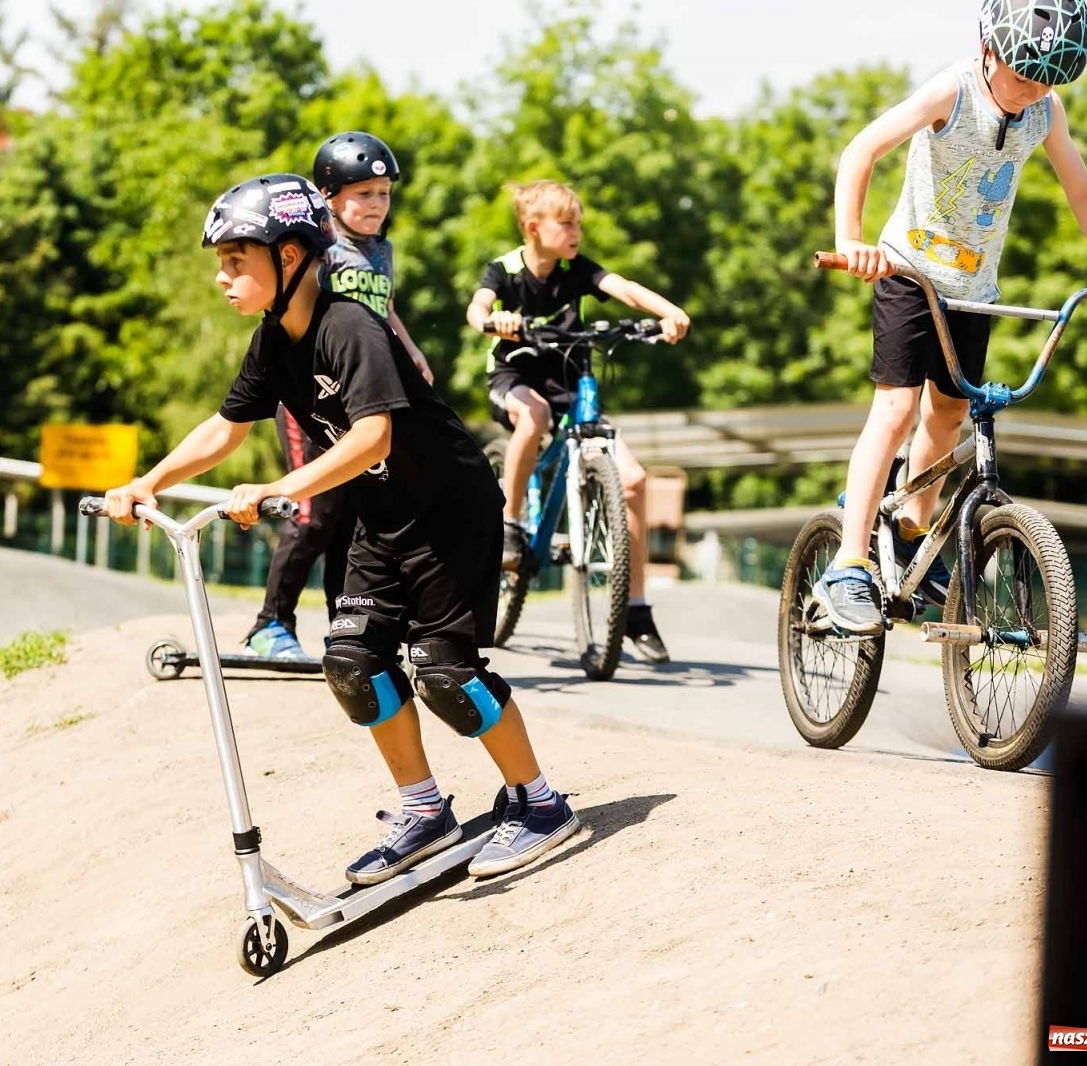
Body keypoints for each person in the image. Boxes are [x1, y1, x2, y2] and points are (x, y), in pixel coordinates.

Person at [104, 174, 580, 880]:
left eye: (238, 259)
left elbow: (373, 438)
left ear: (290, 256)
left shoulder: (349, 326)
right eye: (223, 262)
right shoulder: (276, 338)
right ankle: (425, 811)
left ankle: (540, 804)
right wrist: (150, 480)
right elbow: (227, 427)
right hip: (381, 519)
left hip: (448, 512)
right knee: (354, 665)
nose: (222, 277)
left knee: (446, 676)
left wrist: (280, 488)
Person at [814, 0, 1087, 634]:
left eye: (1046, 80)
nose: (1032, 92)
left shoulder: (1045, 110)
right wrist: (852, 238)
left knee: (947, 414)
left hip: (974, 289)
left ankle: (913, 534)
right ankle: (850, 562)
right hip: (907, 274)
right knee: (894, 412)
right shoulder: (952, 89)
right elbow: (860, 151)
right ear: (989, 50)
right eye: (1024, 76)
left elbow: (1082, 191)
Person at [465, 178, 691, 664]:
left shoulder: (576, 270)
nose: (576, 232)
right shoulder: (504, 270)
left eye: (578, 224)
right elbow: (477, 307)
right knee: (535, 417)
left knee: (633, 480)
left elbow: (624, 289)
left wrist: (668, 311)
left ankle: (635, 609)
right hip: (516, 376)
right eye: (566, 224)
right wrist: (494, 320)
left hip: (572, 383)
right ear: (533, 228)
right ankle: (509, 521)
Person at [241, 131, 434, 659]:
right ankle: (269, 624)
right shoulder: (323, 252)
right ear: (328, 198)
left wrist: (410, 352)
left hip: (358, 400)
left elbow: (384, 309)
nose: (377, 205)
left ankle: (343, 623)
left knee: (352, 521)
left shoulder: (382, 250)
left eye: (385, 194)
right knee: (314, 515)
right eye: (363, 194)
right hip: (310, 400)